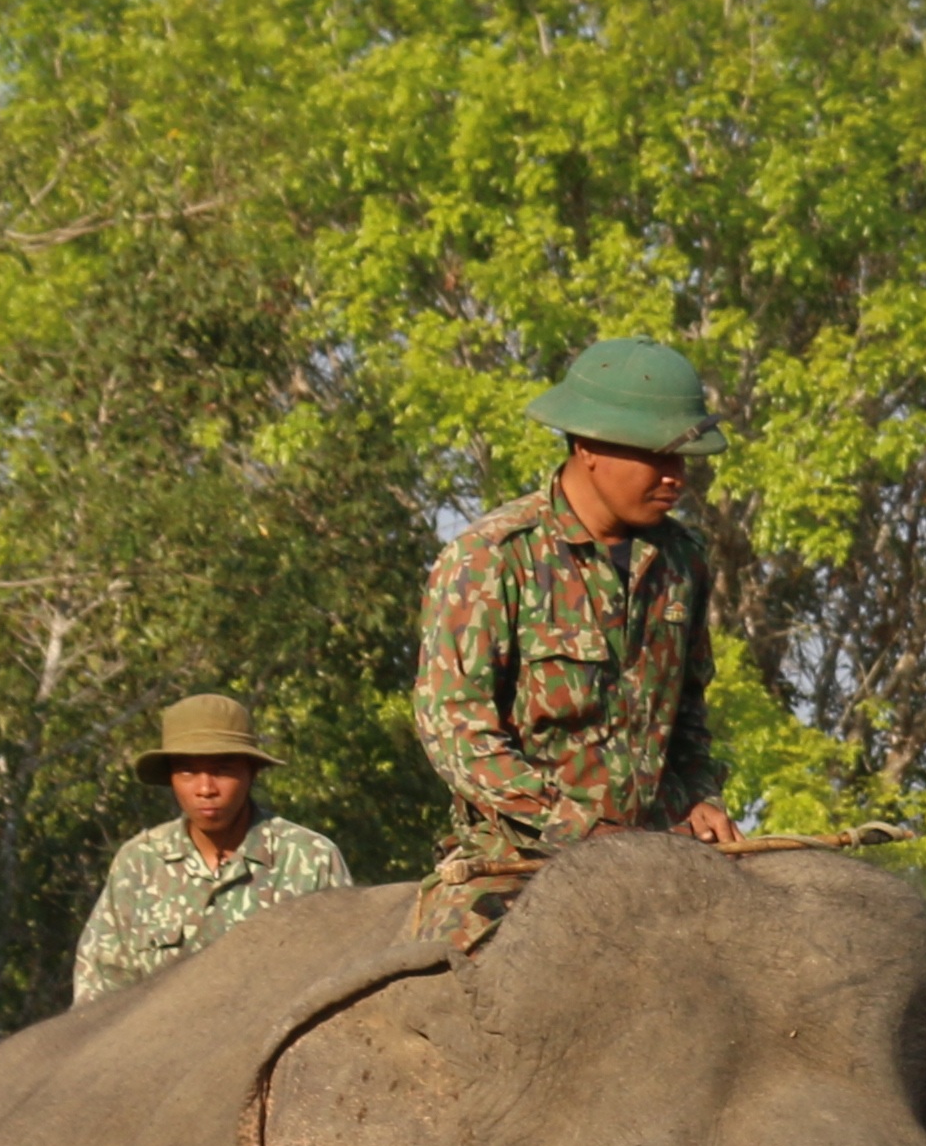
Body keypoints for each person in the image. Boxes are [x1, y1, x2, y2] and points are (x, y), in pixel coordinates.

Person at [409, 339, 742, 857]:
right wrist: (570, 826)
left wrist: (700, 795)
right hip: (519, 855)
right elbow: (455, 728)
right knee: (460, 941)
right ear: (588, 447)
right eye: (657, 455)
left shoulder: (684, 560)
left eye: (682, 457)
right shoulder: (492, 557)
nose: (676, 474)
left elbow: (690, 710)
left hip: (660, 852)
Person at [71, 694, 357, 1005]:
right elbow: (98, 997)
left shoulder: (309, 858)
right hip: (159, 1047)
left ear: (252, 772)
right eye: (188, 772)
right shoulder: (140, 863)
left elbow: (344, 980)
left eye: (222, 770)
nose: (206, 789)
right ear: (170, 777)